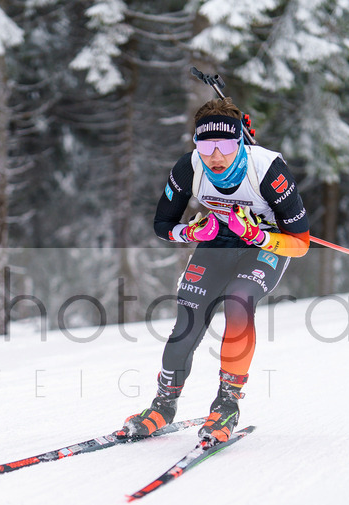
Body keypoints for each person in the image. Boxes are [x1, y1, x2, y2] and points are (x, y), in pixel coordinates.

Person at [123, 97, 311, 445]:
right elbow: (162, 224)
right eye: (205, 145)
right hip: (220, 239)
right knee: (189, 309)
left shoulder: (268, 170)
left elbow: (300, 244)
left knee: (239, 300)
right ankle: (163, 405)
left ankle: (226, 406)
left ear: (239, 141)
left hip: (266, 244)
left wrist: (257, 234)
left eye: (224, 145)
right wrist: (190, 233)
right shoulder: (189, 168)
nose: (215, 156)